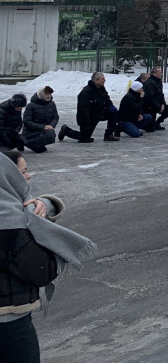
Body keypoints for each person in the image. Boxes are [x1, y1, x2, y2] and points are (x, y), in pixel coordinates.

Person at [0, 149, 97, 362]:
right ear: (8, 177)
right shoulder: (12, 221)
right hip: (9, 323)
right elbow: (40, 271)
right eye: (22, 172)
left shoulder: (16, 210)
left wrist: (44, 204)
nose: (28, 176)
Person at [60, 73, 118, 143]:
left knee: (114, 113)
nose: (105, 80)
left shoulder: (102, 89)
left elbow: (107, 100)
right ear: (96, 80)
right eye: (103, 79)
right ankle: (65, 130)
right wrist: (86, 124)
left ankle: (109, 135)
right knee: (84, 138)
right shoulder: (86, 92)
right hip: (88, 117)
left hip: (99, 113)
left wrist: (110, 106)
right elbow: (83, 111)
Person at [21, 88, 58, 154]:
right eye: (46, 94)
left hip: (43, 130)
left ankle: (36, 144)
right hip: (31, 132)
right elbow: (27, 122)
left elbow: (55, 117)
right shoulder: (31, 106)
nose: (49, 96)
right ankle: (24, 142)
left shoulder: (52, 104)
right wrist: (43, 127)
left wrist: (51, 125)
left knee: (51, 134)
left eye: (50, 94)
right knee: (40, 150)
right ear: (41, 94)